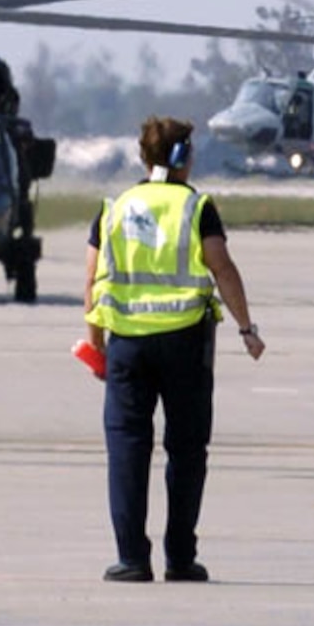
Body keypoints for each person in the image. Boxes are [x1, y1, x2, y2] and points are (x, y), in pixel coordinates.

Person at [83, 115, 265, 583]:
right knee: (186, 450)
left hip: (127, 345)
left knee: (127, 448)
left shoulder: (114, 208)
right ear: (183, 157)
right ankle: (180, 558)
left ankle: (131, 559)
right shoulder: (196, 207)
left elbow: (92, 280)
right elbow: (222, 267)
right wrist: (247, 328)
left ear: (145, 157)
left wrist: (96, 344)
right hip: (185, 343)